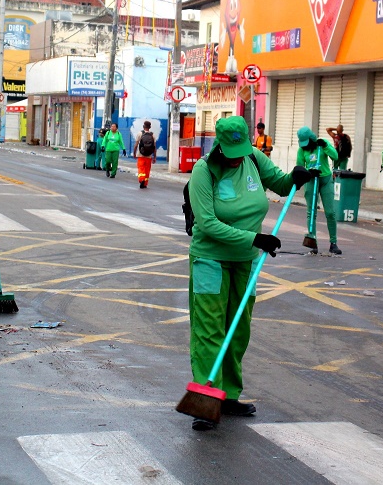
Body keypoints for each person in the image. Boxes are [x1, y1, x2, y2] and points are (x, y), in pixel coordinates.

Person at [187, 116, 313, 431]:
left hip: (246, 260)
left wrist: (297, 176)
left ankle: (228, 395)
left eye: (241, 150)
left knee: (238, 329)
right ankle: (207, 398)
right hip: (211, 259)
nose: (237, 158)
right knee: (210, 330)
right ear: (218, 144)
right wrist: (254, 238)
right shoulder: (204, 171)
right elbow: (207, 223)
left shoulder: (253, 159)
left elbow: (282, 184)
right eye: (231, 152)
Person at [297, 126, 341, 255]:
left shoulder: (322, 144)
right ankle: (312, 240)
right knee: (311, 211)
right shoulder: (301, 150)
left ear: (312, 139)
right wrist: (308, 172)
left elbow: (335, 156)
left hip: (325, 179)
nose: (305, 145)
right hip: (311, 180)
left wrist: (326, 146)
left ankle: (333, 243)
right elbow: (299, 166)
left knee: (330, 212)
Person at [133, 120, 156, 188]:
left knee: (141, 168)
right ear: (150, 127)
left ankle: (141, 179)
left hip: (141, 155)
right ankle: (145, 183)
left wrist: (134, 153)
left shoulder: (140, 134)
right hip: (149, 155)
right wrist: (154, 157)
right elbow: (154, 147)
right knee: (147, 170)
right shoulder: (152, 135)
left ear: (143, 126)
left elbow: (136, 145)